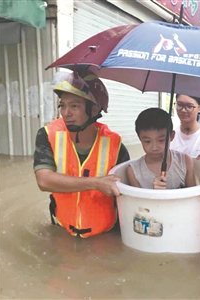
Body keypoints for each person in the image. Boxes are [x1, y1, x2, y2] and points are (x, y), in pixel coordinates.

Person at [33, 70, 130, 238]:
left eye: (74, 106)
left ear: (94, 109)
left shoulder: (116, 146)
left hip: (105, 236)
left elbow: (129, 193)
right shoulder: (47, 135)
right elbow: (44, 181)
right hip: (61, 231)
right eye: (62, 105)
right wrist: (96, 183)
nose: (66, 113)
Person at [127, 108, 196, 189]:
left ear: (172, 136)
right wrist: (154, 193)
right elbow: (136, 200)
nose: (154, 148)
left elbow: (193, 194)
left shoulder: (184, 161)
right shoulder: (133, 171)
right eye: (147, 141)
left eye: (161, 140)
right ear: (140, 139)